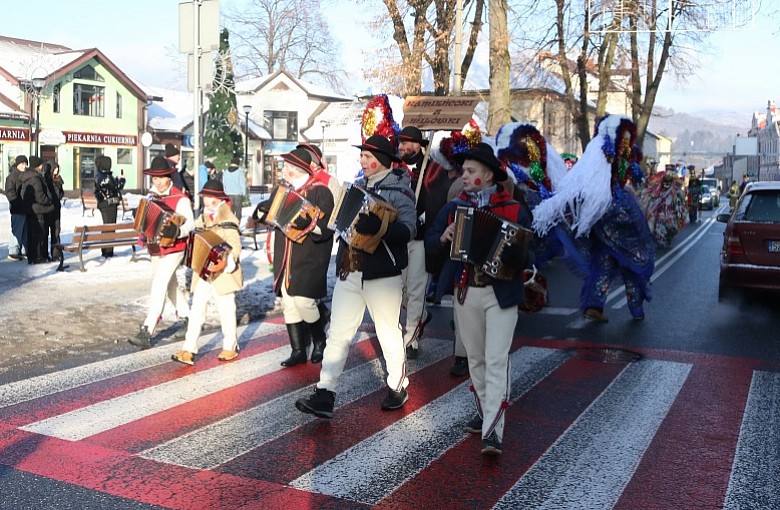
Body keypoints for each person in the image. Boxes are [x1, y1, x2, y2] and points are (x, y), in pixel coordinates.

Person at [295, 134, 417, 419]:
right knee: (337, 332)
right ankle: (325, 393)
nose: (362, 160)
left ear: (382, 160)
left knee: (388, 332)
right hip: (350, 269)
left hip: (382, 274)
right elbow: (337, 223)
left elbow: (409, 230)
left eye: (367, 156)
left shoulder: (401, 191)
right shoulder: (356, 187)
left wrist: (383, 228)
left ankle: (398, 386)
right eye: (361, 155)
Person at [425, 142, 532, 456]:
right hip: (465, 290)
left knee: (496, 360)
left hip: (501, 294)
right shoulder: (454, 207)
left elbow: (530, 251)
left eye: (471, 171)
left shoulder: (513, 208)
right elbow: (430, 240)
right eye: (464, 170)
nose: (465, 176)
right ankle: (487, 410)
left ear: (488, 176)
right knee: (476, 359)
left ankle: (493, 432)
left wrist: (516, 253)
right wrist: (443, 239)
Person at [532, 114, 655, 322]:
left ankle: (595, 305)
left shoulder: (599, 151)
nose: (626, 142)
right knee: (632, 259)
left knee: (605, 259)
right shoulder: (607, 151)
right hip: (617, 212)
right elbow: (634, 174)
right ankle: (635, 307)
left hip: (603, 214)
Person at [252, 148, 335, 366]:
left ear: (300, 169)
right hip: (285, 255)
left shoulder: (320, 192)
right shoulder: (281, 190)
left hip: (309, 258)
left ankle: (319, 342)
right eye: (285, 166)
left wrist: (308, 224)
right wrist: (262, 211)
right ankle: (298, 350)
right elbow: (268, 218)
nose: (285, 170)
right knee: (289, 302)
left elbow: (327, 228)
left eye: (289, 167)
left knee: (304, 301)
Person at [171, 180, 243, 365]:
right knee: (197, 310)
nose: (207, 200)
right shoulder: (202, 219)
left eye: (211, 197)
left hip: (224, 275)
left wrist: (226, 262)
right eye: (205, 197)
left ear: (220, 199)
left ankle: (230, 345)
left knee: (226, 310)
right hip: (203, 272)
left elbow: (235, 247)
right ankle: (188, 348)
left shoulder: (229, 222)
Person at [128, 156, 195, 350]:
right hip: (155, 248)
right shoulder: (150, 196)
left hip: (175, 248)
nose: (157, 181)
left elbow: (190, 224)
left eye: (161, 177)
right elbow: (144, 219)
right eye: (155, 178)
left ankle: (147, 329)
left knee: (159, 283)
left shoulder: (180, 199)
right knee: (170, 285)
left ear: (169, 177)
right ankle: (189, 318)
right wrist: (139, 217)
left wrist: (178, 231)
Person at [396, 125, 450, 361]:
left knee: (417, 289)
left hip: (419, 238)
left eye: (407, 143)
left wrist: (424, 216)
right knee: (400, 291)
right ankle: (422, 316)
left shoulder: (434, 170)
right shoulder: (394, 168)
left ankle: (411, 339)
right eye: (400, 143)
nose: (402, 147)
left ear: (419, 145)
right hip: (397, 237)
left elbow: (439, 201)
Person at [19, 156, 54, 264]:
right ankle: (38, 257)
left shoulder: (27, 177)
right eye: (41, 165)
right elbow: (40, 196)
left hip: (31, 210)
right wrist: (49, 201)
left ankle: (33, 256)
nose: (42, 166)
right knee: (39, 235)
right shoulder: (35, 178)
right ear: (38, 166)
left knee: (32, 235)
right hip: (39, 210)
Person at [94, 155, 125, 258]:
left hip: (105, 203)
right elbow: (115, 186)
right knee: (110, 227)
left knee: (107, 226)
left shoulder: (101, 175)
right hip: (109, 203)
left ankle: (106, 249)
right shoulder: (104, 176)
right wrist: (121, 181)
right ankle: (108, 251)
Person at [5, 155, 28, 260]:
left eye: (25, 163)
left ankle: (23, 250)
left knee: (24, 230)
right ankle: (13, 250)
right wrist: (18, 203)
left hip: (25, 208)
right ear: (17, 164)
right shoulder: (12, 177)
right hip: (17, 208)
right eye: (22, 164)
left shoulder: (25, 176)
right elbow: (10, 193)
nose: (24, 166)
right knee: (17, 229)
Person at [44, 162, 65, 261]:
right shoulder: (46, 180)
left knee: (56, 232)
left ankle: (56, 254)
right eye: (55, 169)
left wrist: (58, 197)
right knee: (46, 232)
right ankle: (45, 253)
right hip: (48, 209)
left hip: (56, 209)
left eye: (58, 169)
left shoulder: (59, 180)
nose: (56, 171)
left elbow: (61, 193)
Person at [222, 157, 247, 222]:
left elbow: (224, 183)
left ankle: (231, 225)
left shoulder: (226, 172)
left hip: (229, 194)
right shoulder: (239, 172)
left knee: (230, 212)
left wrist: (225, 192)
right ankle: (237, 224)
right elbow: (242, 183)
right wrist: (243, 193)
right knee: (238, 212)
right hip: (238, 194)